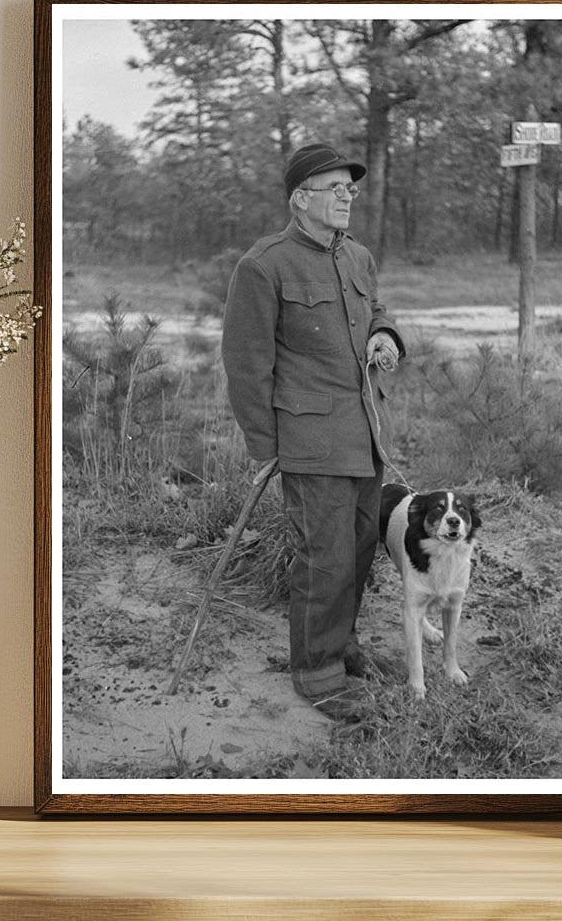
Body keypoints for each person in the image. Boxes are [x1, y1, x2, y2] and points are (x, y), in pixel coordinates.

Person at [221, 142, 406, 721]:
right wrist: (267, 447)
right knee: (322, 558)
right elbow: (246, 364)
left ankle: (341, 647)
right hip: (309, 444)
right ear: (301, 199)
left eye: (351, 187)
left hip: (364, 434)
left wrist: (386, 337)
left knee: (355, 551)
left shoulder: (357, 257)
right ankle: (317, 673)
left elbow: (375, 310)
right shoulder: (264, 265)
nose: (348, 195)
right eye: (335, 188)